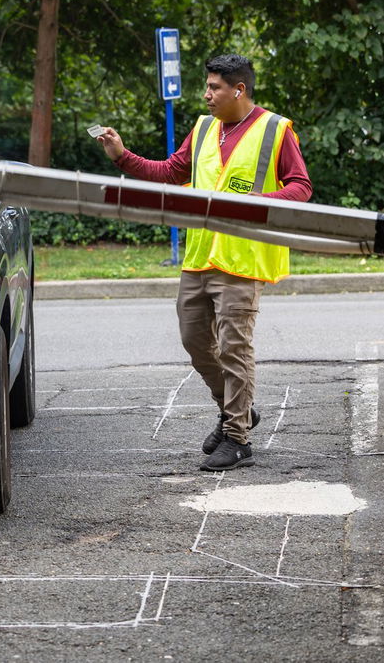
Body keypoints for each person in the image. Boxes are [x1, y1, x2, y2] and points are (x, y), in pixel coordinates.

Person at [95, 54, 311, 471]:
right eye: (207, 87)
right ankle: (239, 409)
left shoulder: (275, 130)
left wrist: (254, 203)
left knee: (235, 348)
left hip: (242, 259)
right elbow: (169, 172)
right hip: (199, 256)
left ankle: (237, 436)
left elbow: (300, 187)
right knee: (195, 341)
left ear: (239, 90)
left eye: (214, 87)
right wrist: (122, 156)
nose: (207, 95)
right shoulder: (203, 128)